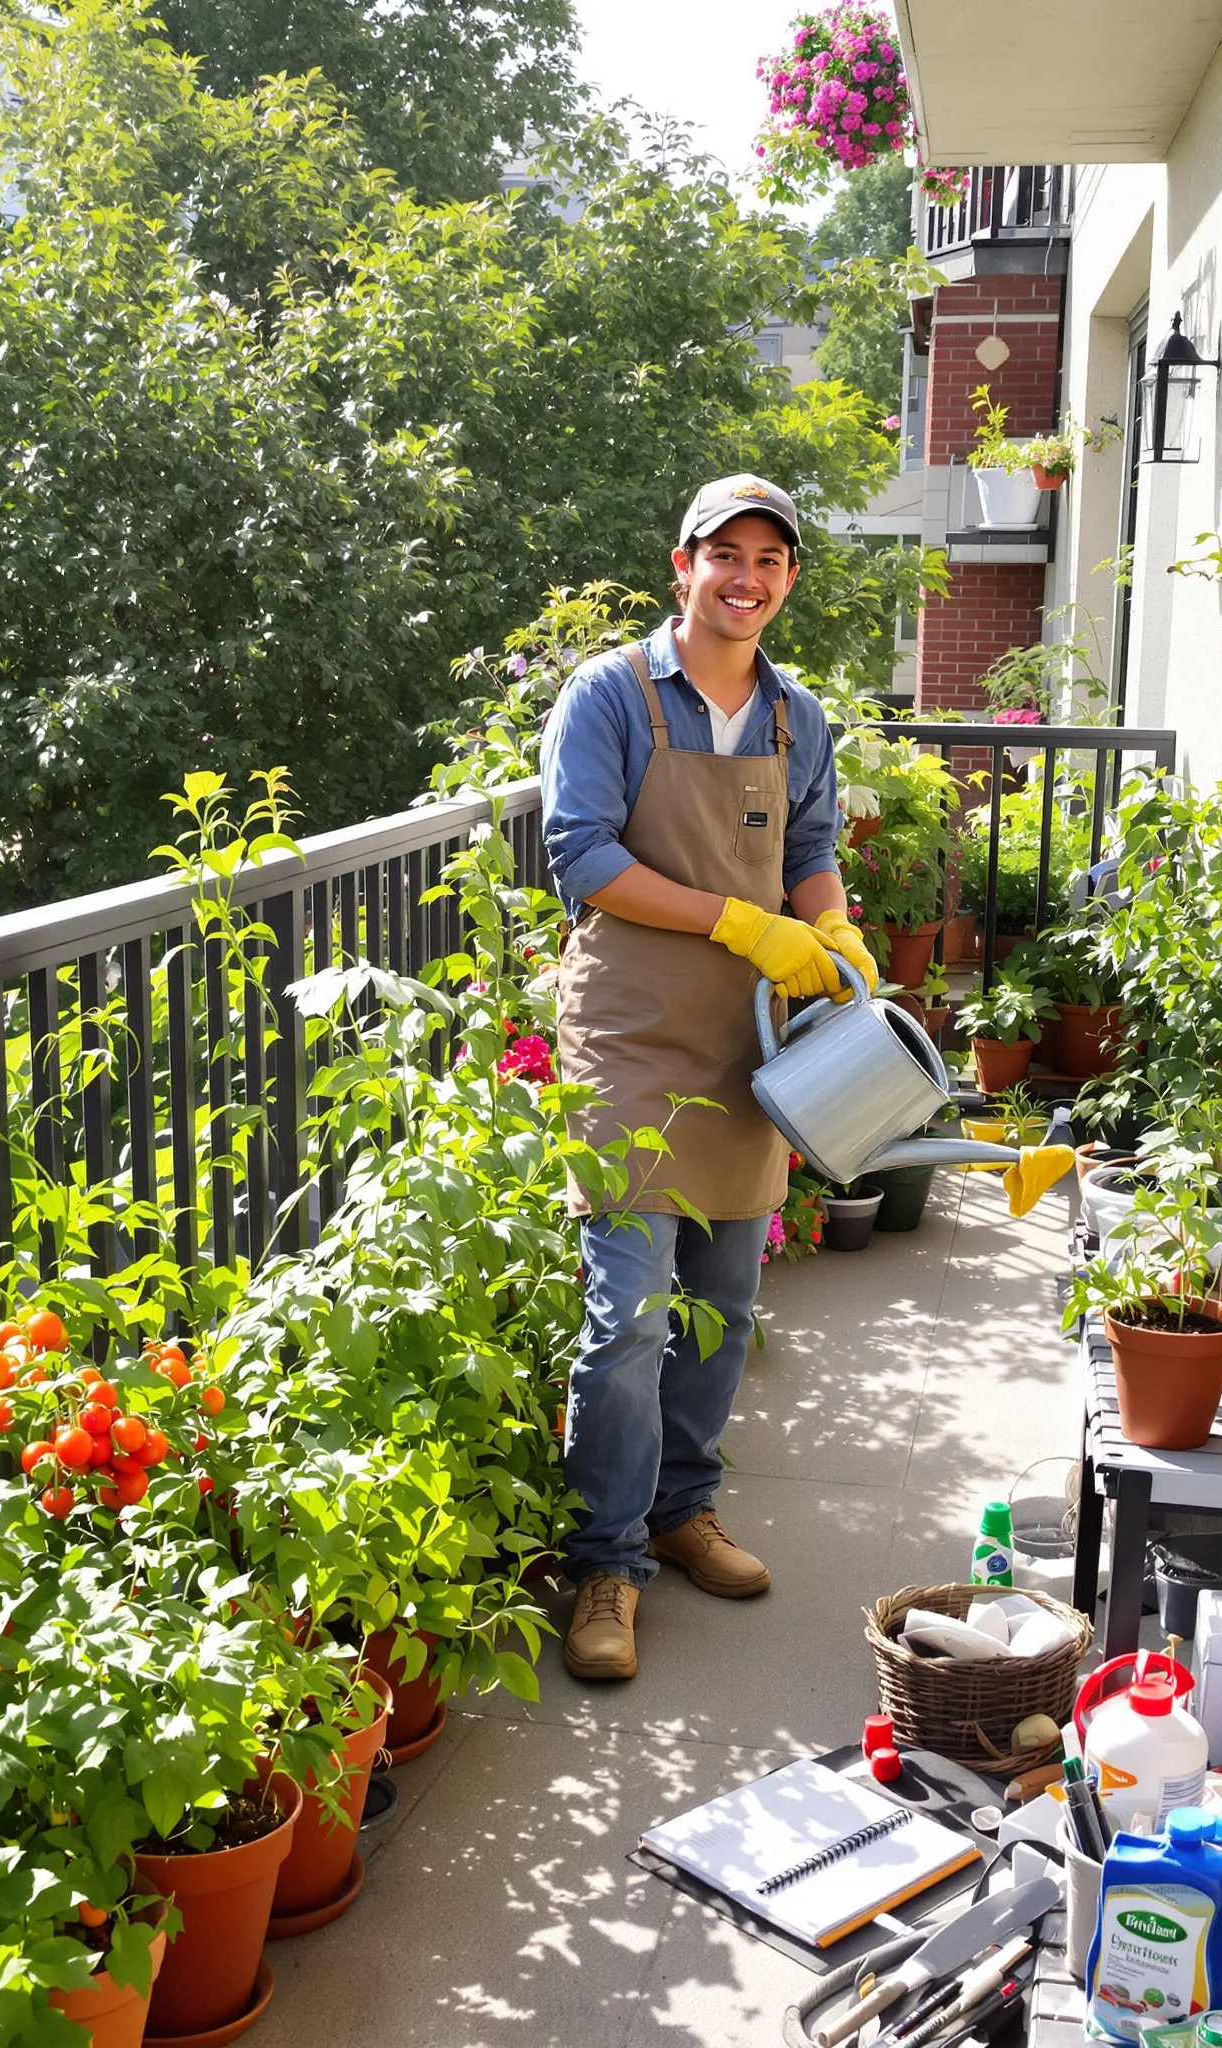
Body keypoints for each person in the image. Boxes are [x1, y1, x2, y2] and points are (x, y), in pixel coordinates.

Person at [539, 474, 879, 1681]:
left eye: (769, 561)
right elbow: (581, 853)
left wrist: (829, 933)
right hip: (631, 1032)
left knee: (722, 1302)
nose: (745, 578)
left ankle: (684, 1508)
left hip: (751, 1044)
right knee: (627, 1310)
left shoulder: (796, 714)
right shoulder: (611, 694)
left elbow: (808, 849)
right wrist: (746, 927)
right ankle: (605, 1558)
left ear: (788, 580)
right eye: (723, 554)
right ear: (678, 563)